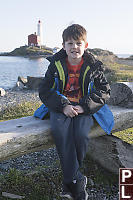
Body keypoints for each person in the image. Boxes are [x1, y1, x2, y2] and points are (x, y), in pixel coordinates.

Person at [39, 24, 113, 200]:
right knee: (60, 131)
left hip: (84, 106)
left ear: (85, 45)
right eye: (70, 43)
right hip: (61, 106)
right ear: (63, 46)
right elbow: (44, 90)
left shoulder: (93, 65)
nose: (74, 47)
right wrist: (63, 105)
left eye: (78, 43)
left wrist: (85, 106)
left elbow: (104, 91)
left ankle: (68, 182)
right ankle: (77, 180)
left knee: (80, 135)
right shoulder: (55, 65)